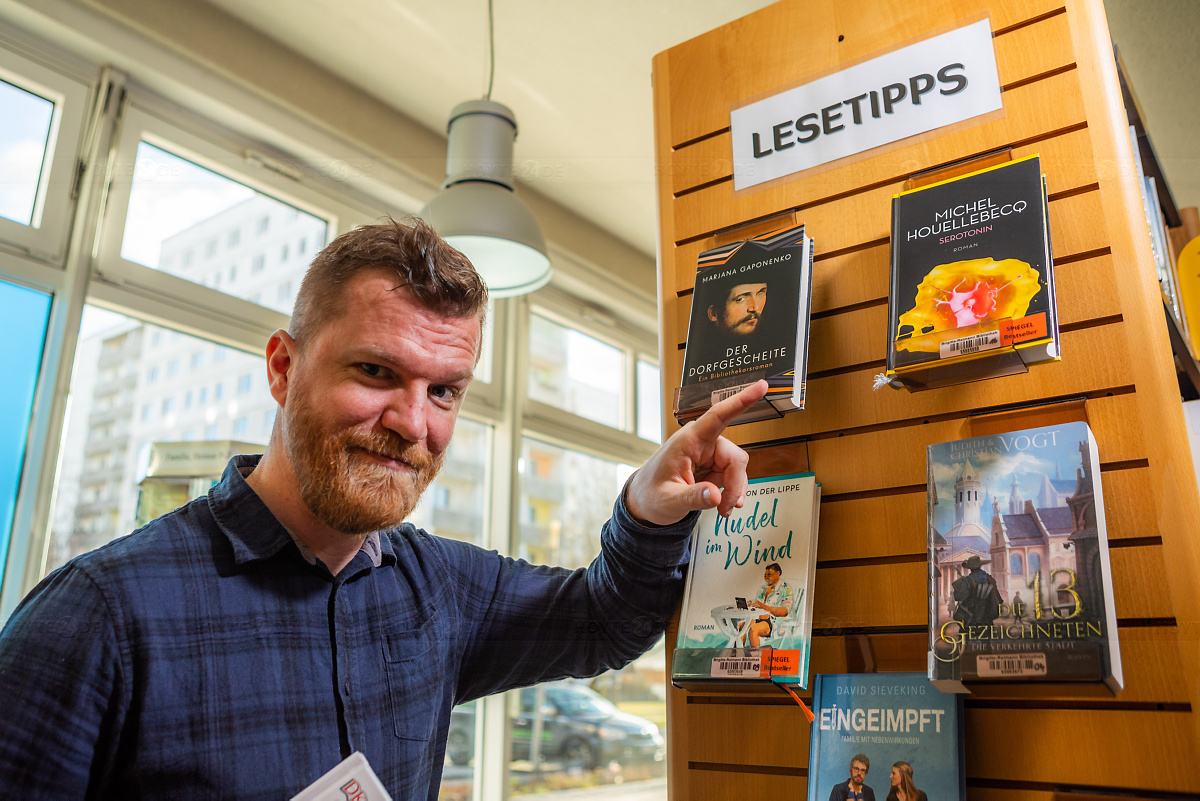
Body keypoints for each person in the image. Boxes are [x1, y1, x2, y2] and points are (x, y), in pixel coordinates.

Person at [0, 218, 769, 800]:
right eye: (375, 370)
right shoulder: (96, 620)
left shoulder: (440, 589)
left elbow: (602, 618)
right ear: (283, 366)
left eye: (444, 391)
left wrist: (650, 502)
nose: (412, 421)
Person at [744, 562, 792, 647]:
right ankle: (737, 655)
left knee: (753, 629)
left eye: (769, 575)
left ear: (778, 574)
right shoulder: (763, 589)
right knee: (741, 626)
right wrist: (751, 603)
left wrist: (764, 607)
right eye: (765, 575)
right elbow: (757, 601)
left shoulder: (785, 589)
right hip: (757, 618)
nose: (766, 578)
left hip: (773, 623)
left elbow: (784, 611)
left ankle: (755, 658)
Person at [952, 554, 1003, 627]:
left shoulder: (967, 581)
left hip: (971, 620)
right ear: (980, 565)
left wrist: (958, 586)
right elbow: (999, 599)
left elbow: (958, 597)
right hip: (987, 620)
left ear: (970, 568)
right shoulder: (990, 578)